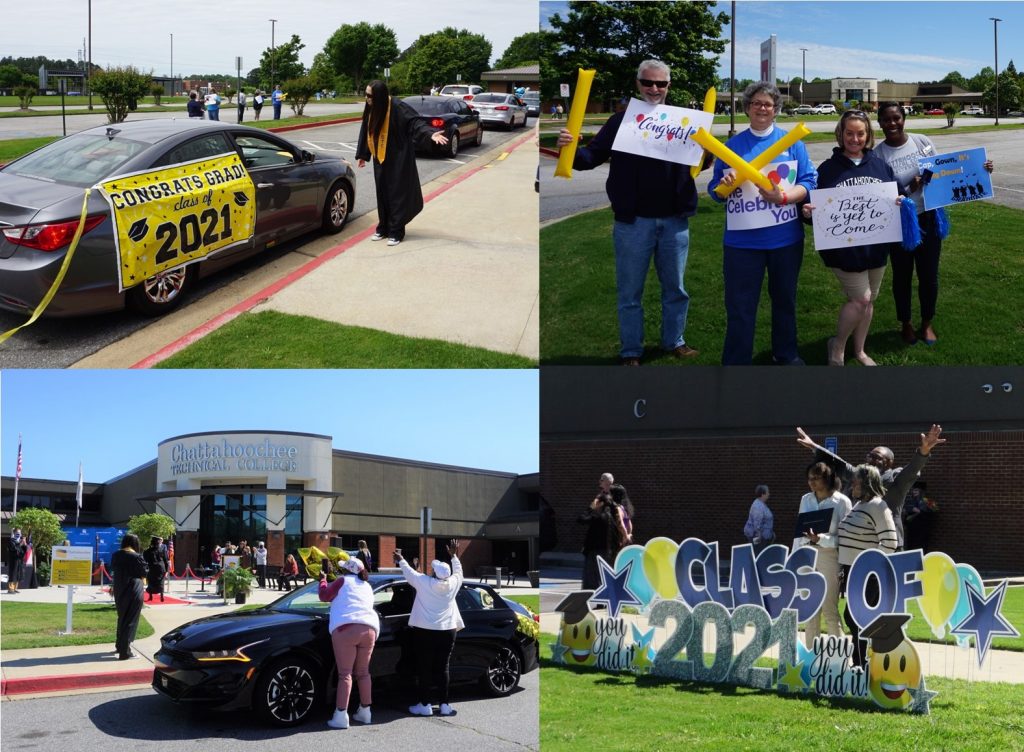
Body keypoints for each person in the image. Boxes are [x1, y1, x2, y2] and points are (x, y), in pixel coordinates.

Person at [555, 59, 701, 366]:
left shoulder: (683, 122)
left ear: (668, 86)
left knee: (676, 289)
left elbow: (701, 162)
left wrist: (708, 152)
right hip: (633, 222)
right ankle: (631, 351)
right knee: (630, 292)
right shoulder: (621, 121)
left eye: (660, 84)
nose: (654, 89)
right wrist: (569, 149)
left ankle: (674, 340)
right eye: (648, 82)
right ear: (638, 84)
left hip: (674, 220)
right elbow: (591, 157)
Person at [708, 82, 817, 365]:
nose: (762, 108)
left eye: (768, 104)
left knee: (785, 302)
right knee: (740, 307)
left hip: (786, 240)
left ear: (776, 109)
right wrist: (723, 186)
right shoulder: (730, 147)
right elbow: (714, 191)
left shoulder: (793, 143)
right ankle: (736, 362)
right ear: (747, 108)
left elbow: (808, 182)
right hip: (741, 244)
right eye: (756, 103)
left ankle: (786, 354)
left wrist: (782, 197)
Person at [873, 102, 995, 346]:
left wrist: (980, 170)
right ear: (880, 123)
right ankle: (906, 323)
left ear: (903, 118)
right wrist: (910, 189)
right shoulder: (877, 155)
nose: (892, 123)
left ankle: (927, 323)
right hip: (901, 223)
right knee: (902, 277)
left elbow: (945, 172)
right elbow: (882, 197)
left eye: (896, 118)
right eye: (886, 120)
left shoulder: (922, 141)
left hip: (929, 218)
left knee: (929, 276)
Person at [801, 110, 901, 366]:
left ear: (868, 135)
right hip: (843, 251)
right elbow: (812, 208)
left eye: (860, 133)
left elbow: (895, 196)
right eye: (849, 133)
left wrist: (899, 202)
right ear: (840, 134)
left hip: (876, 248)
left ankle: (860, 350)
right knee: (861, 299)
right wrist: (807, 211)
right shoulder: (827, 169)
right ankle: (837, 347)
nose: (854, 139)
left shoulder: (880, 165)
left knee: (869, 302)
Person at [796, 423, 945, 549]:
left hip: (888, 545)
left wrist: (924, 450)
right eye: (869, 456)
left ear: (888, 463)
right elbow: (839, 464)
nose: (871, 460)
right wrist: (814, 446)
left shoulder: (895, 479)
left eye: (877, 458)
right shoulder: (858, 475)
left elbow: (912, 470)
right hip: (859, 543)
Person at [355, 80, 448, 247]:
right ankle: (383, 227)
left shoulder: (397, 107)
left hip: (398, 157)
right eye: (366, 94)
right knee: (382, 193)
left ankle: (397, 231)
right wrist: (363, 154)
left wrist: (430, 134)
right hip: (380, 157)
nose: (366, 98)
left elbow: (415, 122)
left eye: (370, 95)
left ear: (380, 96)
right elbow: (366, 128)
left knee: (396, 195)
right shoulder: (372, 106)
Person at [837, 464, 898, 667]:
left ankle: (862, 664)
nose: (852, 483)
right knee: (854, 617)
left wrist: (870, 565)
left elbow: (890, 542)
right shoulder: (859, 505)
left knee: (856, 617)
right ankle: (861, 663)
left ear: (867, 482)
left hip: (866, 574)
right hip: (851, 571)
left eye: (855, 480)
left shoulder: (878, 506)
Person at [397, 539, 464, 717]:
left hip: (425, 631)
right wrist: (454, 555)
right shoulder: (453, 583)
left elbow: (409, 573)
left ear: (434, 573)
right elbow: (458, 571)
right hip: (448, 631)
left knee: (424, 667)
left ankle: (425, 704)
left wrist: (401, 558)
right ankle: (444, 705)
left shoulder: (424, 582)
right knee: (443, 668)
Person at [794, 462, 852, 648]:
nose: (811, 482)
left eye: (816, 478)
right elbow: (799, 531)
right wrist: (794, 559)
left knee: (829, 609)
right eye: (809, 478)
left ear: (827, 478)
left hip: (829, 556)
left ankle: (840, 661)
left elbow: (845, 538)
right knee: (811, 611)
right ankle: (812, 659)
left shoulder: (842, 502)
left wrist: (821, 539)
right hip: (806, 555)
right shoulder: (806, 499)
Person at [319, 557, 379, 728]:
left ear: (347, 570)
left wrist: (322, 580)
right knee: (363, 673)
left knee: (345, 674)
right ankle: (365, 712)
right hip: (369, 629)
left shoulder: (342, 580)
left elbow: (324, 596)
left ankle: (340, 715)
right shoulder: (367, 586)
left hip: (346, 628)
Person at [577, 491, 628, 589]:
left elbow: (580, 519)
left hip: (595, 552)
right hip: (608, 552)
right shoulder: (612, 518)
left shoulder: (598, 517)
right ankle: (602, 602)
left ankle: (596, 599)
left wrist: (591, 507)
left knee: (593, 579)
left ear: (600, 503)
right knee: (604, 577)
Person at [111, 533, 147, 660]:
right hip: (134, 588)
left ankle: (119, 645)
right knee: (131, 620)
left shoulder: (116, 555)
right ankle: (125, 652)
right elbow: (144, 572)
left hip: (119, 588)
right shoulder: (136, 556)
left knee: (122, 618)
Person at [902, 481, 935, 552]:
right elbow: (906, 516)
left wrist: (920, 512)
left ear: (921, 491)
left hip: (922, 530)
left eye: (916, 490)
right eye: (913, 490)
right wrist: (907, 512)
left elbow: (932, 514)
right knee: (911, 548)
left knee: (921, 548)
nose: (914, 492)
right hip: (911, 529)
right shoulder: (910, 501)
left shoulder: (927, 501)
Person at [743, 485, 775, 554]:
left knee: (759, 554)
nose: (769, 494)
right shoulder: (758, 506)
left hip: (763, 537)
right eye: (767, 492)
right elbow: (757, 523)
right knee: (758, 554)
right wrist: (759, 536)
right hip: (759, 537)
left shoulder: (761, 504)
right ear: (763, 494)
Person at [143, 536, 169, 602]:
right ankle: (162, 596)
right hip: (161, 568)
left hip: (152, 568)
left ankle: (150, 596)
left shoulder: (147, 551)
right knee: (161, 582)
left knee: (151, 581)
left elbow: (145, 560)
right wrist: (167, 570)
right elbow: (166, 560)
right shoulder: (162, 550)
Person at [6, 528, 26, 594]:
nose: (19, 535)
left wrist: (24, 545)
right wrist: (20, 544)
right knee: (12, 574)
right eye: (17, 533)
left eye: (20, 533)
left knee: (18, 574)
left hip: (19, 560)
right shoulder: (11, 541)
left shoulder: (19, 541)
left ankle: (15, 588)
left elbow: (22, 552)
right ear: (14, 534)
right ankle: (10, 589)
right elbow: (14, 550)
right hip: (13, 560)